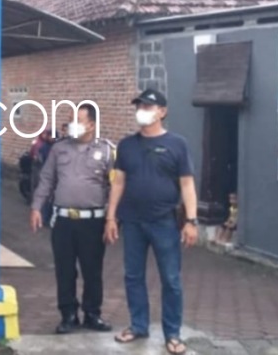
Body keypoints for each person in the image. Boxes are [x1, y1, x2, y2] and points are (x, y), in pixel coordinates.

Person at [104, 89, 198, 355]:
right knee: (133, 276)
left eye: (147, 107)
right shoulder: (126, 145)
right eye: (139, 106)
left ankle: (173, 334)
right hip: (132, 222)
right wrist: (111, 217)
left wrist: (191, 221)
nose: (142, 111)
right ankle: (138, 325)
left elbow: (187, 184)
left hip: (164, 222)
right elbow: (118, 182)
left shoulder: (177, 144)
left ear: (162, 112)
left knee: (171, 279)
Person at [30, 104, 116, 334]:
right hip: (64, 221)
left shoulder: (107, 150)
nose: (71, 125)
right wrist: (37, 207)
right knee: (65, 270)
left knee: (92, 270)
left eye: (77, 120)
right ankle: (68, 314)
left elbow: (115, 186)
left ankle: (92, 314)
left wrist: (112, 219)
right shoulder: (59, 149)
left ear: (91, 125)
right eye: (70, 120)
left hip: (93, 221)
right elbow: (46, 180)